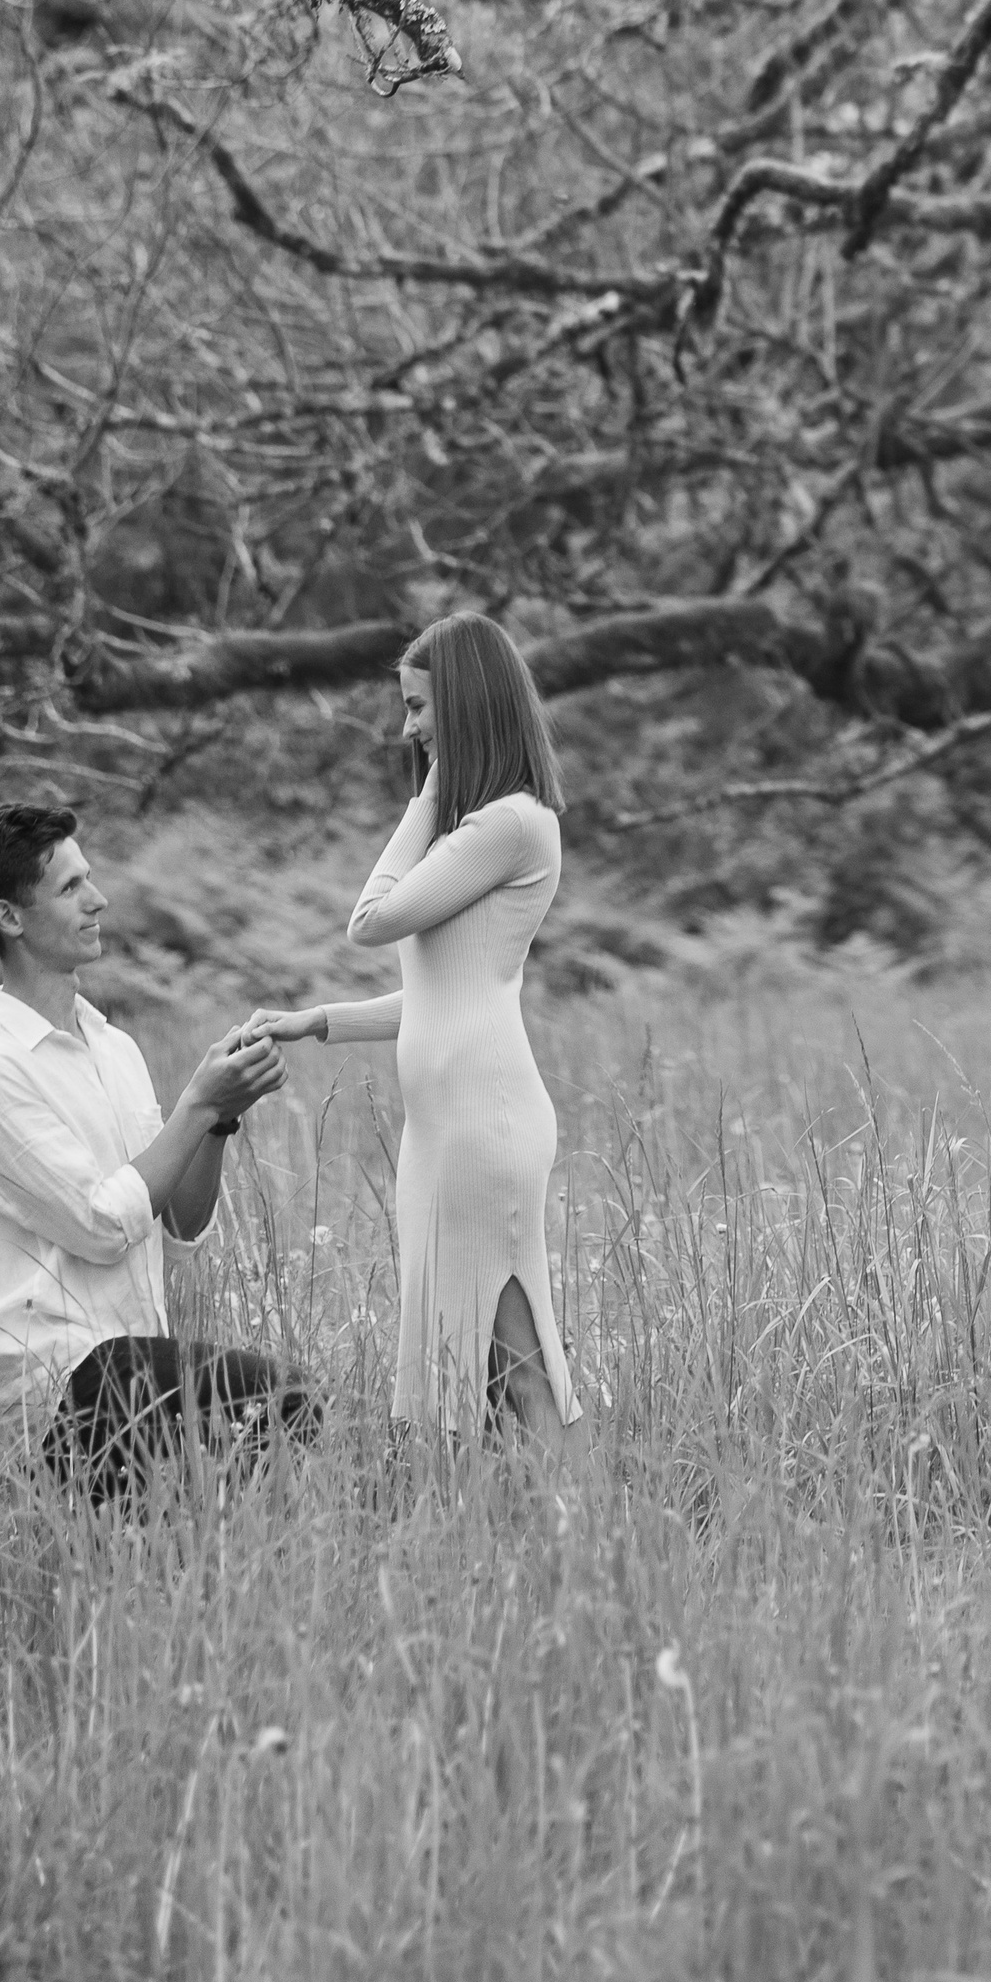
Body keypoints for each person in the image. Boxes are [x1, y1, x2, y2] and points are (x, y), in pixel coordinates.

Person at [246, 614, 584, 1455]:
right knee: (473, 1363)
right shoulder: (490, 827)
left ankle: (584, 1516)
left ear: (465, 706)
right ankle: (509, 1512)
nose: (408, 730)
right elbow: (445, 995)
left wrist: (428, 795)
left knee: (516, 1361)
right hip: (448, 1128)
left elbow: (371, 918)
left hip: (483, 1123)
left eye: (419, 707)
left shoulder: (507, 824)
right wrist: (323, 1022)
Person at [0, 801, 316, 1505]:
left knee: (233, 1493)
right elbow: (103, 1226)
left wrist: (218, 1120)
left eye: (89, 878)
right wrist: (195, 1104)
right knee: (284, 1396)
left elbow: (178, 1228)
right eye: (70, 887)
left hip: (134, 1361)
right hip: (57, 1383)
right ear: (10, 918)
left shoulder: (117, 1050)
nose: (97, 899)